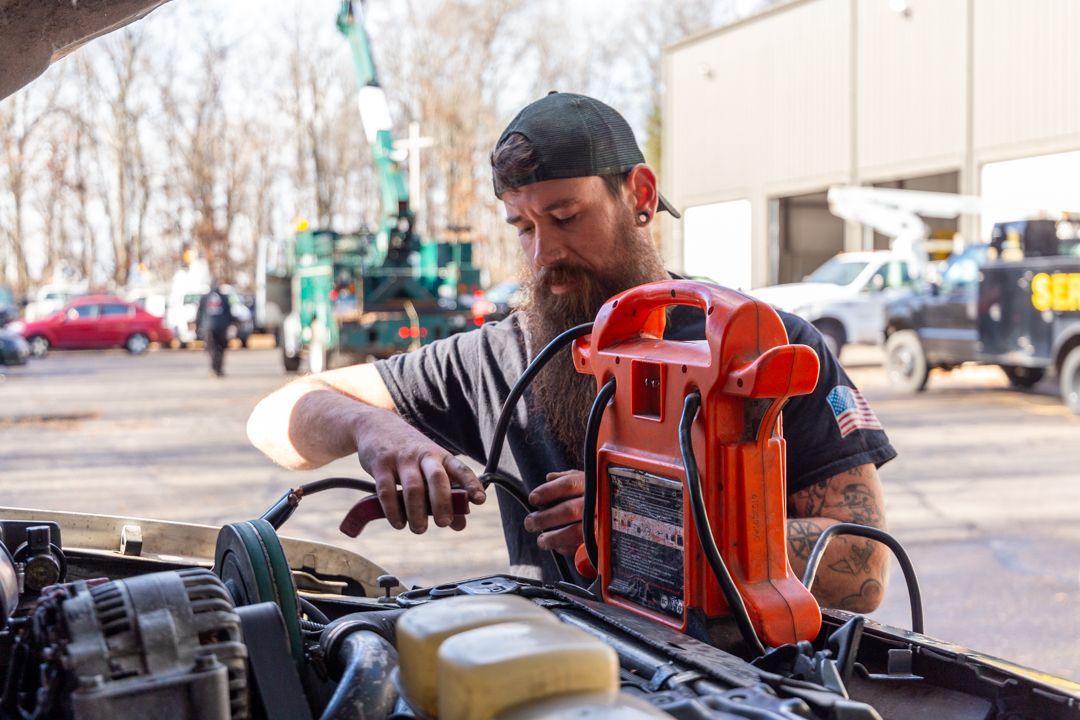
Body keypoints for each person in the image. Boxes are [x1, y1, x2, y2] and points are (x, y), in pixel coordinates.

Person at [247, 92, 896, 612]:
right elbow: (274, 419)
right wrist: (374, 429)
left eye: (566, 217)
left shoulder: (766, 348)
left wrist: (647, 527)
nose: (544, 253)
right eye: (523, 227)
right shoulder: (499, 360)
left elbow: (863, 572)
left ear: (640, 197)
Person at [196, 282, 234, 377]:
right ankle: (218, 369)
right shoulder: (224, 298)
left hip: (208, 327)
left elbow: (200, 313)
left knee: (211, 348)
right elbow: (229, 313)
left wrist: (198, 325)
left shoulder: (204, 298)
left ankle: (214, 369)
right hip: (222, 327)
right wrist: (231, 324)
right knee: (221, 348)